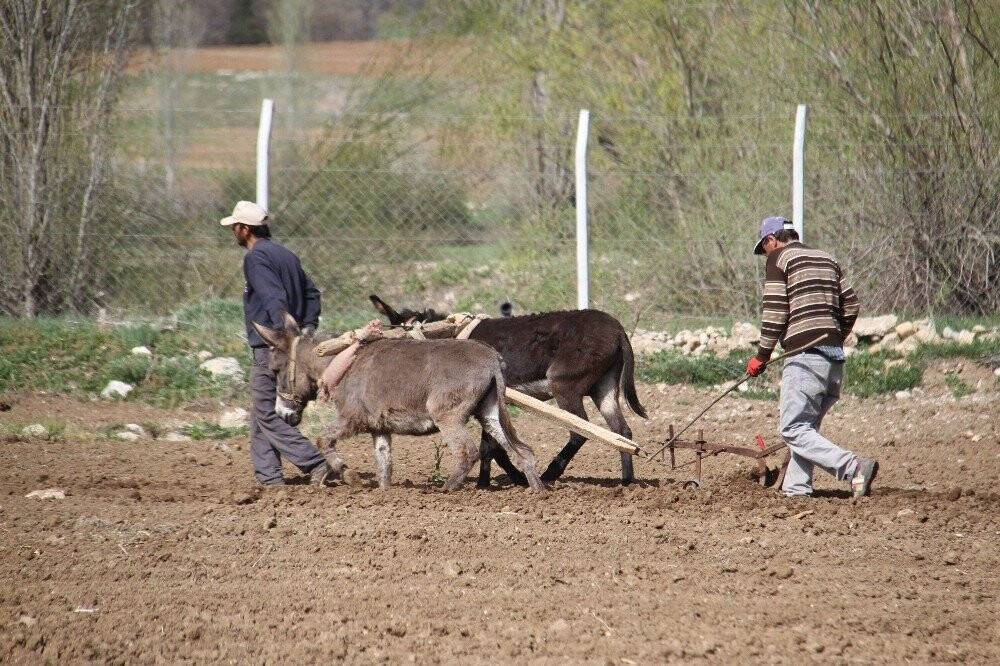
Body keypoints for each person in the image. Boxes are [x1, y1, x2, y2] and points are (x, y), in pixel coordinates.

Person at [746, 216, 878, 498]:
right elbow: (852, 303)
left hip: (804, 356)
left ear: (772, 240)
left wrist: (762, 355)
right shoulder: (826, 258)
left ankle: (853, 467)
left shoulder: (779, 259)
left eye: (764, 248)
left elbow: (775, 312)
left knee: (792, 429)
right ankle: (796, 488)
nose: (765, 255)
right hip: (833, 359)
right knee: (806, 430)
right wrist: (835, 337)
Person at [220, 200, 332, 486]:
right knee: (261, 412)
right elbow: (312, 294)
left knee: (266, 413)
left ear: (244, 229)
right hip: (293, 345)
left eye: (235, 226)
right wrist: (306, 331)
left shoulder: (255, 258)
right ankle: (269, 477)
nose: (233, 230)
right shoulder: (286, 255)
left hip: (271, 347)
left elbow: (273, 299)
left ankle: (315, 462)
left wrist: (282, 338)